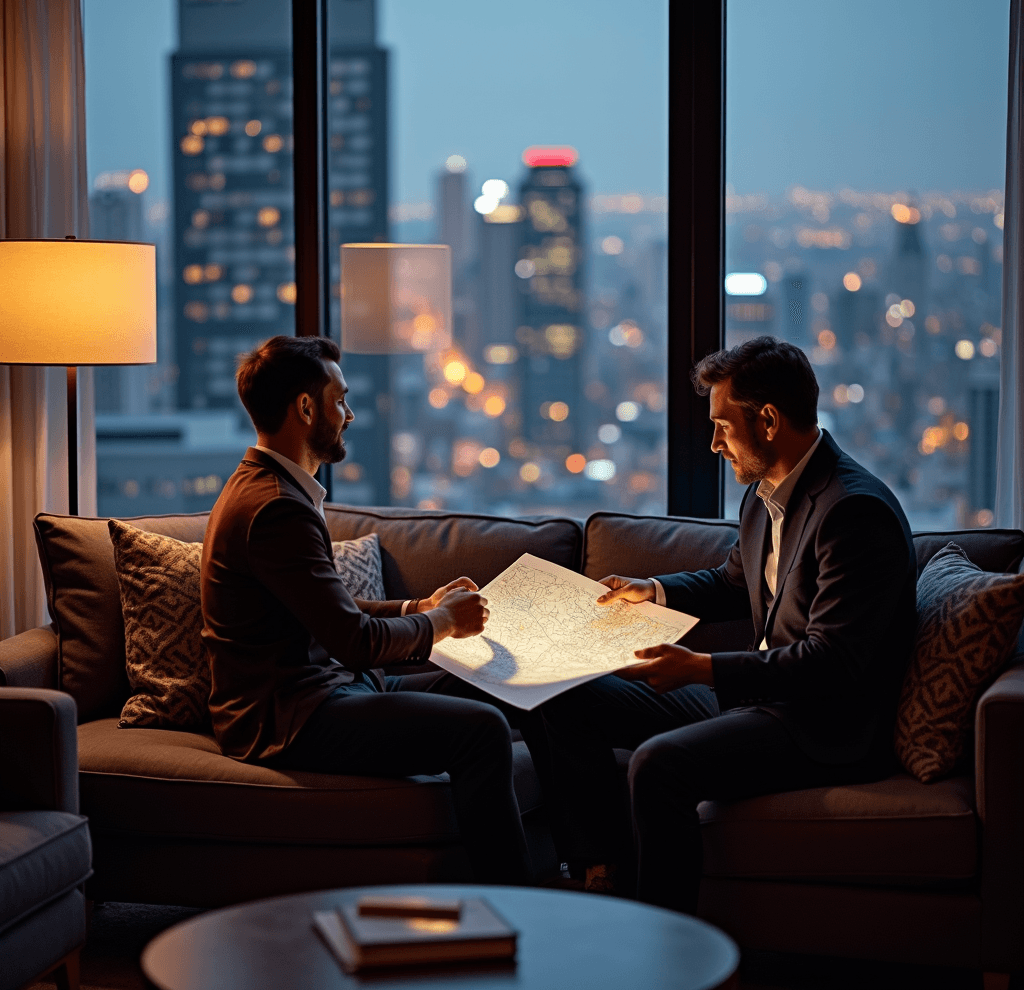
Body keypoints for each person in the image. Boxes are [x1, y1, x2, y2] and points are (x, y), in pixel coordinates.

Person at [535, 335, 917, 912]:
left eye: (722, 425)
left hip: (820, 725)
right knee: (559, 693)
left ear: (767, 419)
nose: (714, 442)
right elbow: (731, 582)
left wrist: (703, 670)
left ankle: (665, 943)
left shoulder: (852, 512)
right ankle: (599, 873)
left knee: (660, 765)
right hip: (754, 704)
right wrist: (652, 590)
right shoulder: (764, 492)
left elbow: (832, 662)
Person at [200, 334, 531, 885]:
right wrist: (443, 622)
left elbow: (325, 604)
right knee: (482, 730)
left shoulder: (271, 489)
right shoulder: (275, 507)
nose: (349, 414)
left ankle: (587, 862)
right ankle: (518, 902)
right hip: (288, 717)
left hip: (326, 690)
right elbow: (353, 641)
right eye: (341, 400)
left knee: (502, 682)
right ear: (306, 408)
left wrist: (416, 605)